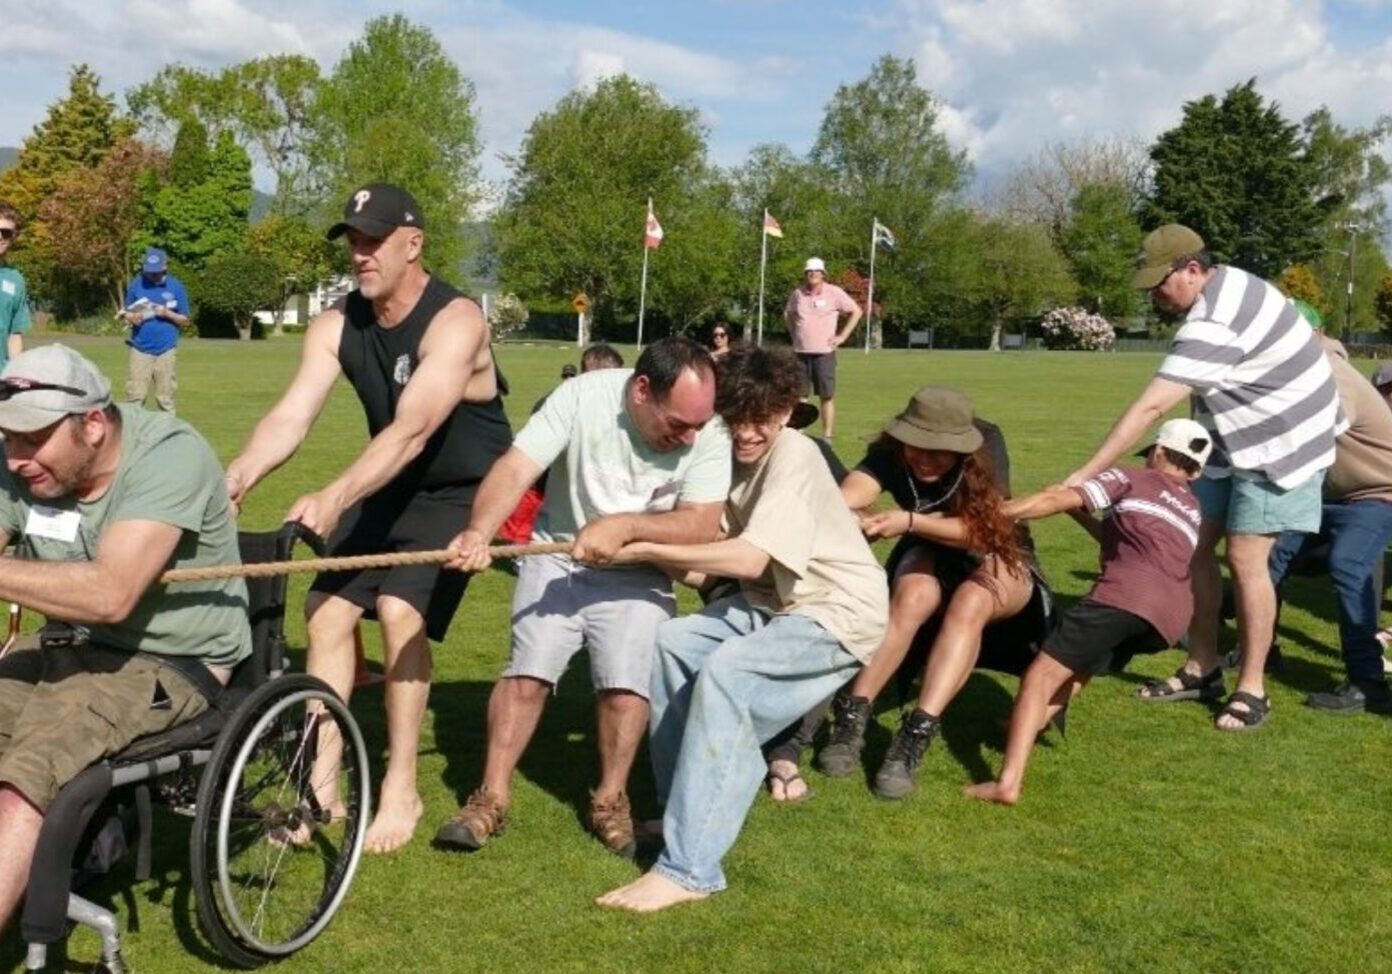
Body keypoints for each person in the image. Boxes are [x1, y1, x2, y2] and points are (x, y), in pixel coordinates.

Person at [224, 182, 512, 854]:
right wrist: (237, 475)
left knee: (398, 612)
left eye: (374, 239)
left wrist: (336, 493)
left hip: (462, 489)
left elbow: (414, 428)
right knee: (325, 615)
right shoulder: (336, 325)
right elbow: (293, 414)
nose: (360, 253)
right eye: (353, 239)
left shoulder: (458, 320)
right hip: (391, 481)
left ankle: (401, 786)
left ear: (414, 244)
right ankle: (322, 787)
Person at [595, 344, 886, 913]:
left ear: (786, 412)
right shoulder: (719, 454)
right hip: (775, 601)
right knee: (673, 642)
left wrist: (639, 541)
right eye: (737, 419)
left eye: (765, 419)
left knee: (729, 676)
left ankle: (689, 869)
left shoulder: (797, 456)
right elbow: (701, 555)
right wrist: (627, 544)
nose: (750, 433)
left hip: (838, 609)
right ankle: (685, 809)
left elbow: (750, 559)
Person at [435, 337, 729, 858]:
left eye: (698, 425)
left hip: (641, 567)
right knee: (526, 673)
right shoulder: (580, 397)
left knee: (625, 685)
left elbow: (703, 525)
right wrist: (480, 531)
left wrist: (625, 527)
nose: (689, 437)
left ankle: (610, 799)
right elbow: (514, 469)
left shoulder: (709, 431)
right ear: (642, 390)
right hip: (556, 552)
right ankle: (490, 798)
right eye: (678, 423)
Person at [0, 343, 250, 930]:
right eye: (7, 438)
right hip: (66, 643)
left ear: (92, 423)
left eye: (33, 439)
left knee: (26, 777)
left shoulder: (169, 455)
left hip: (170, 660)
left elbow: (111, 594)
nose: (15, 458)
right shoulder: (16, 466)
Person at [1071, 225, 1341, 731]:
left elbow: (1151, 405)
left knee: (1245, 557)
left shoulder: (1212, 322)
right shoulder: (1227, 283)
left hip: (1285, 441)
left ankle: (1252, 687)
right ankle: (1202, 665)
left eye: (1160, 283)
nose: (1154, 294)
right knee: (1192, 545)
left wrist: (1086, 474)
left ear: (1192, 269)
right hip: (1228, 434)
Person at [798, 386, 1051, 800]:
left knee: (971, 601)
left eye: (937, 451)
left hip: (997, 548)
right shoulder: (893, 450)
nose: (923, 458)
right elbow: (856, 491)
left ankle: (914, 736)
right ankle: (851, 719)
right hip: (929, 545)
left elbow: (983, 529)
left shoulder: (987, 443)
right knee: (912, 595)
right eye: (916, 447)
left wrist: (910, 521)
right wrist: (847, 512)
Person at [965, 419, 1211, 805]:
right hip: (1171, 617)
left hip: (1125, 597)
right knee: (1082, 666)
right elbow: (1123, 541)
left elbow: (1050, 501)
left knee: (1041, 675)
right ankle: (1022, 724)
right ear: (1196, 470)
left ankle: (1006, 784)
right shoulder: (1192, 508)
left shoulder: (1130, 477)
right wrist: (1078, 513)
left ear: (1158, 452)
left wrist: (1000, 513)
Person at [1266, 335, 1392, 713]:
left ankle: (1367, 684)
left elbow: (1328, 425)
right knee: (1267, 555)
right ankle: (1258, 651)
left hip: (1377, 493)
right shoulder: (1297, 370)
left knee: (1348, 566)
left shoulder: (1329, 371)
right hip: (1326, 497)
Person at [784, 258, 862, 440]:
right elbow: (788, 313)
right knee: (800, 396)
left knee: (826, 396)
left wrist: (842, 337)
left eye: (816, 271)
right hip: (800, 353)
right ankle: (797, 434)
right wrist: (794, 332)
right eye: (809, 271)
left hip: (824, 353)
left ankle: (827, 436)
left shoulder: (834, 292)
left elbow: (856, 311)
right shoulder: (798, 293)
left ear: (823, 274)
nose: (812, 274)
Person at [121, 247, 190, 412]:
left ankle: (168, 435)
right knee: (135, 397)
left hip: (166, 349)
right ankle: (133, 435)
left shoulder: (176, 287)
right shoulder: (136, 284)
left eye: (156, 271)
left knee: (165, 398)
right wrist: (130, 317)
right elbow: (125, 311)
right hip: (140, 348)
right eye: (149, 271)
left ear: (165, 266)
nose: (152, 275)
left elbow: (185, 320)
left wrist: (167, 313)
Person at [0, 203, 31, 370]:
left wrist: (16, 373)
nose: (0, 237)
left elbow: (15, 335)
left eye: (6, 233)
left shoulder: (16, 280)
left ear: (13, 237)